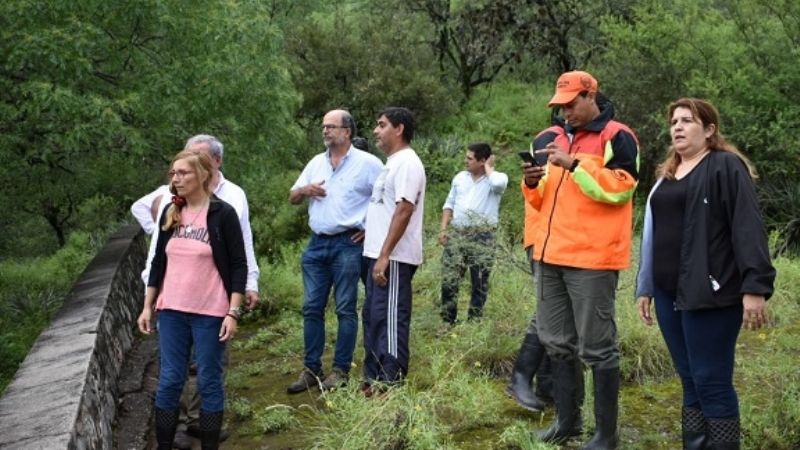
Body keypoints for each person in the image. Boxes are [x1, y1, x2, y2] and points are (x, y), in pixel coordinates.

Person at [636, 98, 775, 450]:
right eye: (674, 121)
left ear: (710, 130)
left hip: (712, 293)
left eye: (688, 121)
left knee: (711, 380)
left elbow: (748, 227)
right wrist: (646, 286)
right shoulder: (667, 174)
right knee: (689, 379)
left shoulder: (725, 167)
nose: (678, 127)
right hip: (669, 294)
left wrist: (755, 286)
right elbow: (655, 234)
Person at [522, 70, 640, 449]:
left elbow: (621, 188)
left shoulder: (617, 135)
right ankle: (567, 423)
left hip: (592, 258)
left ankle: (606, 434)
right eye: (560, 105)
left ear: (591, 96)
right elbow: (540, 200)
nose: (565, 111)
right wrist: (530, 181)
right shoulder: (547, 138)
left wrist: (574, 164)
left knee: (597, 347)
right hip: (549, 255)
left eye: (571, 104)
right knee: (556, 343)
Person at [131, 134, 259, 448]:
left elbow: (239, 263)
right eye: (173, 173)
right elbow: (158, 261)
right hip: (172, 310)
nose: (176, 179)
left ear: (202, 175)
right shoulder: (170, 213)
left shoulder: (222, 213)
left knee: (208, 380)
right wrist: (148, 306)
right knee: (171, 380)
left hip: (211, 312)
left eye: (183, 173)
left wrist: (233, 311)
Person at [286, 109, 383, 393]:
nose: (325, 131)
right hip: (317, 244)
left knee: (345, 308)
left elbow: (387, 198)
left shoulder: (368, 163)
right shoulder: (316, 163)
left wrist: (371, 225)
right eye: (323, 126)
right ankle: (311, 369)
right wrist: (305, 190)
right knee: (311, 307)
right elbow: (292, 197)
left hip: (348, 244)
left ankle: (340, 370)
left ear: (347, 132)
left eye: (331, 127)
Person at [362, 107, 426, 390]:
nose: (376, 130)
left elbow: (404, 209)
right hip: (378, 253)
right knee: (374, 316)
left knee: (390, 318)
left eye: (382, 125)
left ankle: (391, 381)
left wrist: (385, 254)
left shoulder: (408, 163)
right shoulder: (391, 163)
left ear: (399, 129)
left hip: (394, 257)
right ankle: (373, 376)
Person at [438, 142, 508, 325]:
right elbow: (449, 204)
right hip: (458, 234)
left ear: (482, 161)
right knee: (450, 279)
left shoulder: (496, 179)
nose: (465, 160)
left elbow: (499, 184)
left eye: (470, 158)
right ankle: (447, 320)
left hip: (483, 236)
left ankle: (473, 322)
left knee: (479, 281)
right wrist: (444, 228)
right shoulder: (460, 177)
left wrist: (489, 168)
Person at [505, 201, 554, 413]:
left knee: (556, 313)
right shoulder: (552, 166)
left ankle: (546, 385)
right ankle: (521, 378)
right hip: (546, 234)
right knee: (550, 306)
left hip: (560, 235)